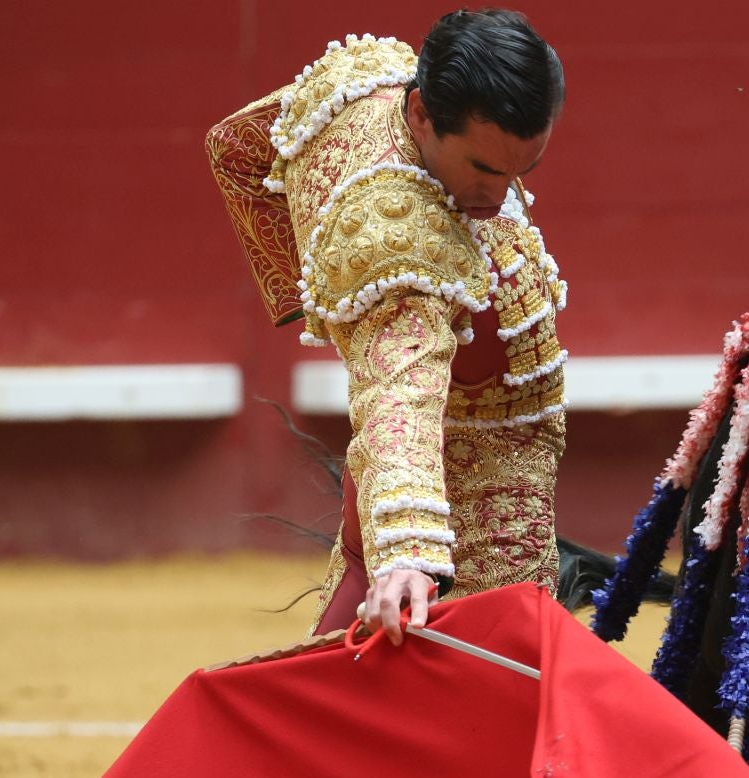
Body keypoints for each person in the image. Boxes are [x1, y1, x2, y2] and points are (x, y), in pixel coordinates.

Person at [206, 10, 568, 643]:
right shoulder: (403, 242)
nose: (497, 195)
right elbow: (402, 387)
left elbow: (238, 149)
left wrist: (321, 295)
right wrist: (411, 550)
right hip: (468, 497)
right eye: (483, 169)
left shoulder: (369, 82)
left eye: (520, 173)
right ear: (424, 114)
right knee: (502, 687)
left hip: (397, 469)